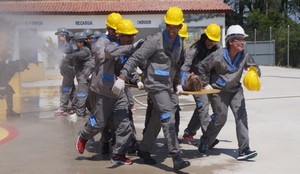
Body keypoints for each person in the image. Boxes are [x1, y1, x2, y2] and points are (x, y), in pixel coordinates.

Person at [111, 6, 190, 171]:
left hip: (167, 86)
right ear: (165, 24)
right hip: (154, 84)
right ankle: (176, 156)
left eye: (175, 26)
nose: (172, 29)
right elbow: (136, 57)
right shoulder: (154, 40)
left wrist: (177, 83)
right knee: (168, 116)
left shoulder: (180, 44)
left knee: (156, 120)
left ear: (180, 26)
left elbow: (177, 65)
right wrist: (122, 76)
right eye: (169, 25)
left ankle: (144, 149)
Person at [75, 18, 142, 165]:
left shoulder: (126, 46)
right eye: (128, 36)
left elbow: (128, 65)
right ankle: (84, 135)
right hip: (102, 90)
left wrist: (137, 79)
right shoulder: (106, 43)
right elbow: (107, 53)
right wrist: (131, 47)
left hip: (119, 92)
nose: (131, 39)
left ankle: (118, 154)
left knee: (124, 123)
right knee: (100, 123)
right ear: (120, 35)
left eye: (133, 36)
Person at [197, 25, 260, 160]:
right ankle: (205, 140)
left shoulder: (245, 56)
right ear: (230, 41)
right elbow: (201, 67)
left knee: (241, 116)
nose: (242, 42)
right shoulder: (218, 55)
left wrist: (253, 71)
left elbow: (256, 68)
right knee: (221, 118)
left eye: (243, 39)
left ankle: (244, 149)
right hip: (218, 92)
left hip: (235, 90)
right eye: (239, 39)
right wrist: (206, 83)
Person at [180, 24, 221, 146]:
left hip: (208, 83)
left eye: (214, 41)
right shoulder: (195, 49)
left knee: (201, 108)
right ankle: (208, 138)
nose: (211, 43)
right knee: (203, 107)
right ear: (205, 37)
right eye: (209, 40)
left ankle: (189, 133)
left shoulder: (217, 49)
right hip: (195, 83)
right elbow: (185, 66)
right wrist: (181, 83)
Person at [66, 32, 93, 120]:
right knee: (87, 96)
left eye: (76, 42)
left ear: (81, 42)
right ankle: (92, 111)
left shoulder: (85, 50)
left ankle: (80, 114)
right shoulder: (79, 50)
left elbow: (77, 55)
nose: (75, 44)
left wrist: (68, 56)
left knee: (81, 95)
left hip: (84, 77)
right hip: (81, 77)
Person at [55, 29, 77, 116]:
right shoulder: (63, 45)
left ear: (64, 36)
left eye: (60, 35)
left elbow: (61, 55)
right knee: (72, 90)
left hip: (69, 71)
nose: (58, 37)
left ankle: (63, 108)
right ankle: (74, 107)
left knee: (65, 89)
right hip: (66, 71)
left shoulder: (67, 46)